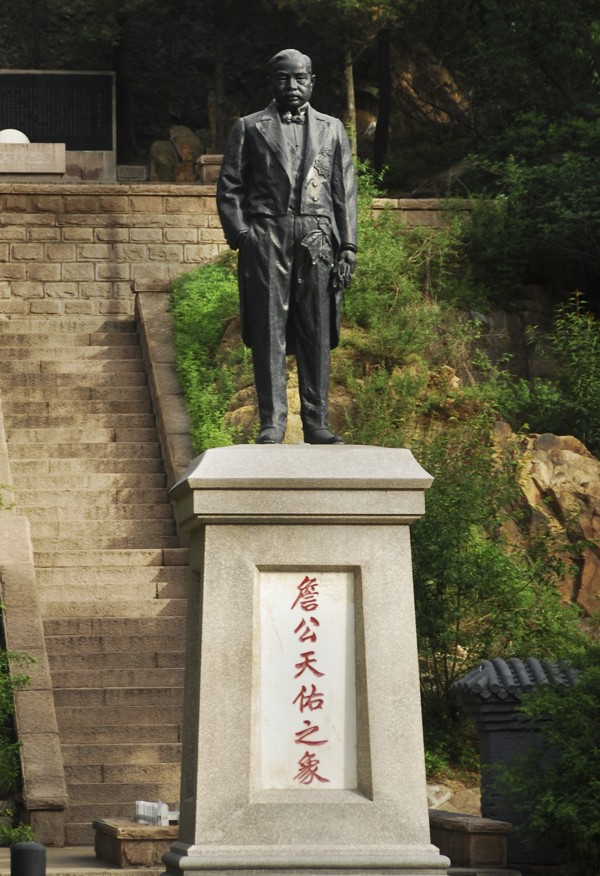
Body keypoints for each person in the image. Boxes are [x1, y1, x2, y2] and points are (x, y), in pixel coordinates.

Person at [217, 48, 357, 445]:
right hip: (267, 234)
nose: (291, 86)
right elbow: (229, 188)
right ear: (271, 82)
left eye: (299, 78)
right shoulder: (248, 127)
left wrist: (348, 247)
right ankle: (272, 423)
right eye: (283, 78)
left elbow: (344, 191)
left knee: (316, 327)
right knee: (268, 329)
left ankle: (316, 421)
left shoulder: (333, 129)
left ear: (312, 81)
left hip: (318, 237)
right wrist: (244, 235)